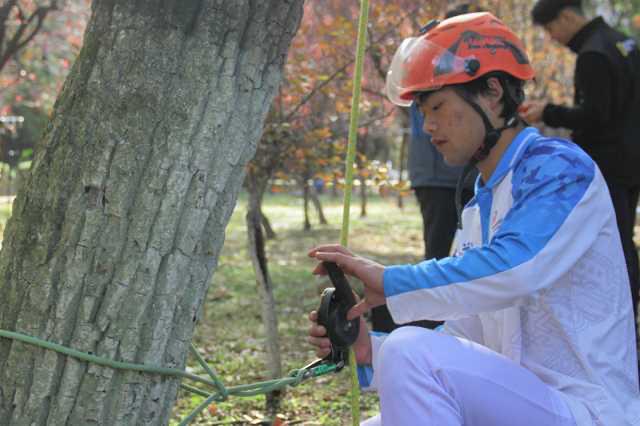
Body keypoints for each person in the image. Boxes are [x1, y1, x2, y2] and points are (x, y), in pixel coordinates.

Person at [307, 12, 640, 426]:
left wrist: (391, 282)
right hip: (522, 404)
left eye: (437, 106)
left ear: (492, 92)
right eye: (421, 113)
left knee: (409, 349)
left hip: (585, 410)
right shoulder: (477, 204)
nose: (428, 126)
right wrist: (366, 348)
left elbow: (516, 269)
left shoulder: (558, 168)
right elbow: (465, 338)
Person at [521, 0, 640, 327]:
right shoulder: (622, 41)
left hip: (610, 163)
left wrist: (548, 112)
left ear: (568, 16)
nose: (552, 38)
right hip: (631, 158)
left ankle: (621, 319)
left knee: (614, 243)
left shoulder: (593, 54)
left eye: (550, 28)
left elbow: (594, 116)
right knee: (624, 237)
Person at [370, 3, 477, 334]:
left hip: (463, 176)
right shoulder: (432, 65)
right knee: (440, 254)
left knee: (466, 253)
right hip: (438, 178)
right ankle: (431, 330)